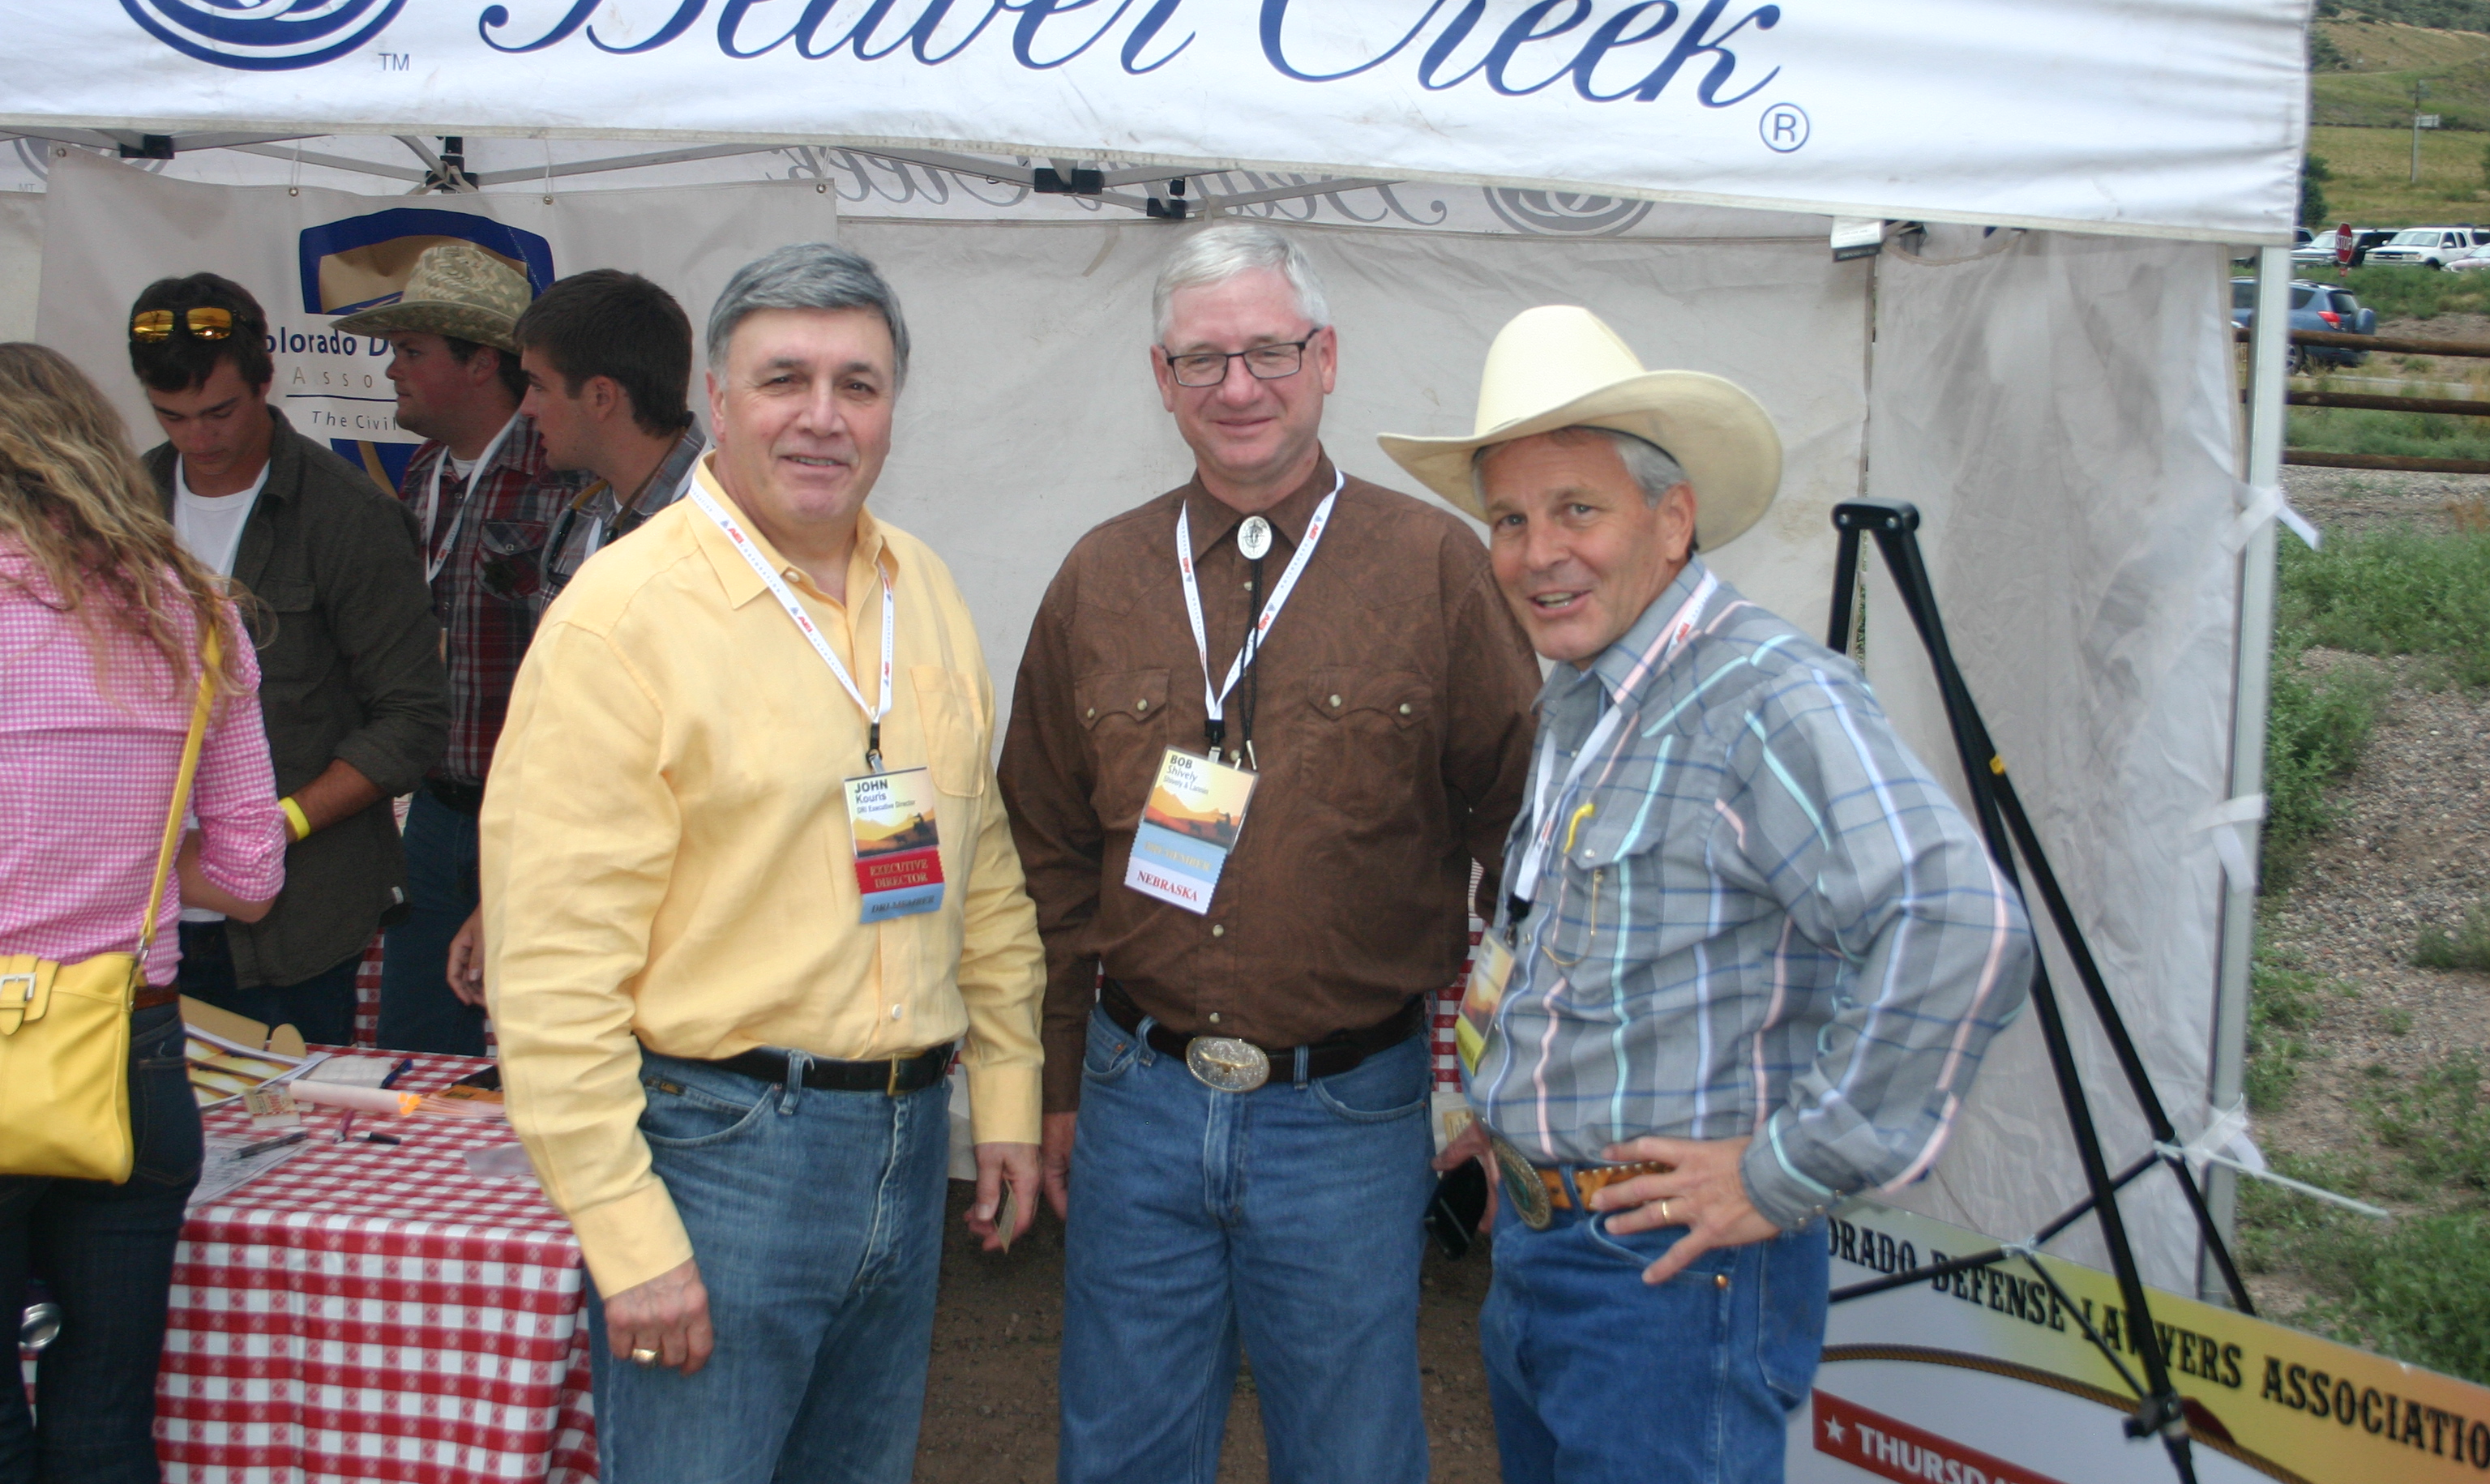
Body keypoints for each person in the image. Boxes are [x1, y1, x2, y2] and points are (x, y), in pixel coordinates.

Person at [1377, 306, 2035, 1484]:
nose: (1538, 553)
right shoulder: (1589, 696)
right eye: (1510, 521)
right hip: (1552, 1248)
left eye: (1578, 509)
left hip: (1670, 1279)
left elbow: (1959, 926)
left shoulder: (1764, 698)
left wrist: (1784, 1169)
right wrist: (1510, 1097)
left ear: (1670, 520)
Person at [479, 242, 1045, 1484]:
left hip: (903, 1151)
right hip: (716, 1161)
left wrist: (1004, 1098)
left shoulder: (926, 590)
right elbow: (553, 973)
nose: (823, 418)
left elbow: (980, 870)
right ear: (718, 402)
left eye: (860, 383)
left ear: (896, 407)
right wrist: (630, 1240)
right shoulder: (621, 621)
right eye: (785, 379)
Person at [999, 225, 1540, 1484]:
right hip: (1139, 1099)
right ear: (1161, 376)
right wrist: (1063, 1080)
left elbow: (1522, 849)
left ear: (1328, 357)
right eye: (1203, 360)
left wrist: (1502, 1099)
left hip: (1350, 1110)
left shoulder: (1437, 568)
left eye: (1268, 352)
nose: (1238, 387)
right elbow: (1048, 850)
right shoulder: (1099, 576)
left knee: (1350, 1452)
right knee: (1122, 1448)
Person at [0, 343, 285, 1482]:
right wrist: (142, 867)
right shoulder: (193, 610)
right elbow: (254, 872)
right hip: (133, 1040)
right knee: (108, 1413)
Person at [127, 273, 448, 1047]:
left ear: (266, 379)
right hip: (140, 909)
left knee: (282, 1144)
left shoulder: (349, 517)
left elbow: (413, 718)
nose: (198, 438)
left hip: (297, 917)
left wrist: (281, 823)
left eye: (221, 412)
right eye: (171, 416)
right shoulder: (123, 506)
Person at [334, 241, 579, 1055]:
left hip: (535, 814)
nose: (391, 370)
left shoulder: (558, 476)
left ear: (481, 365)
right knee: (415, 1046)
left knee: (539, 1053)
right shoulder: (423, 473)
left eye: (411, 351)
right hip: (436, 813)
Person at [441, 267, 704, 1010]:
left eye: (536, 386)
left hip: (687, 941)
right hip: (595, 911)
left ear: (601, 395)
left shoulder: (733, 525)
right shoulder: (583, 521)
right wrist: (510, 894)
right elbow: (557, 739)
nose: (524, 410)